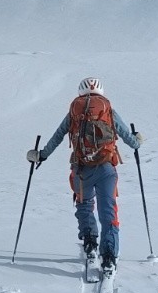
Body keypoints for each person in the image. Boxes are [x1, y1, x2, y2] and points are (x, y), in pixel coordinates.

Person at [27, 77, 143, 272]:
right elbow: (127, 137)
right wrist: (137, 141)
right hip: (106, 168)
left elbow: (57, 136)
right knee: (108, 211)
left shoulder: (75, 111)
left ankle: (90, 243)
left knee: (84, 205)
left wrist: (41, 155)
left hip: (81, 170)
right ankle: (109, 256)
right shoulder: (107, 109)